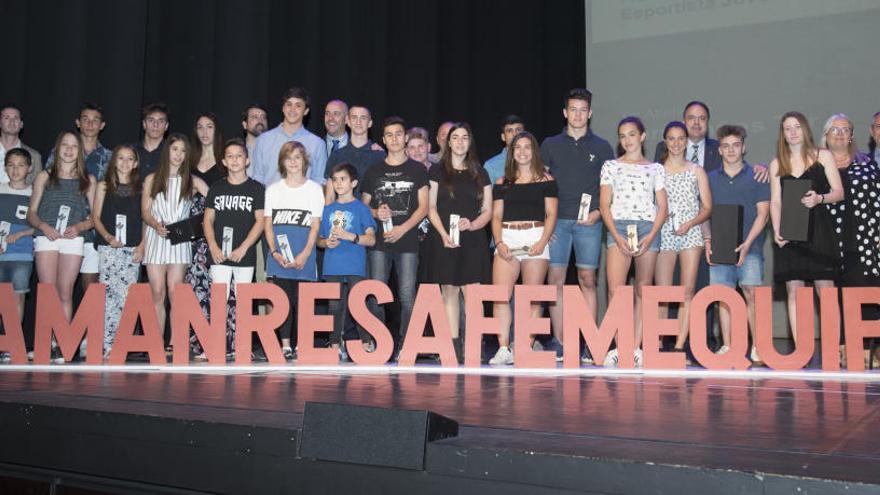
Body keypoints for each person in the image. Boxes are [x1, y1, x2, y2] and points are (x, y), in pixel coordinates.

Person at [541, 88, 615, 361]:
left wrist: (598, 212)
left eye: (583, 110)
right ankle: (561, 342)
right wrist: (546, 222)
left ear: (590, 114)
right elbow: (542, 184)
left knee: (588, 280)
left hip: (589, 223)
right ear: (565, 113)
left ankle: (590, 343)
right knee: (555, 280)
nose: (578, 115)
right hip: (557, 222)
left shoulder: (603, 147)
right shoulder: (549, 144)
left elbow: (610, 187)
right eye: (573, 109)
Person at [770, 112, 843, 350]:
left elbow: (839, 192)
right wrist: (778, 230)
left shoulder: (823, 156)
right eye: (787, 128)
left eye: (797, 127)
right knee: (794, 291)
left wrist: (819, 198)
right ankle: (801, 350)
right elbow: (776, 202)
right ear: (782, 133)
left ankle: (833, 348)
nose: (792, 132)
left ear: (805, 129)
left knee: (826, 290)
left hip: (819, 229)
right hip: (790, 233)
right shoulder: (777, 163)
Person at [599, 117, 668, 367]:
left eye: (631, 134)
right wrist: (616, 237)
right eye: (622, 135)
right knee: (616, 290)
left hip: (647, 228)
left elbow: (663, 207)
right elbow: (604, 205)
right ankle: (619, 346)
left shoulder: (656, 168)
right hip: (619, 226)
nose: (627, 140)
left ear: (642, 136)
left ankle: (637, 347)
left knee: (643, 288)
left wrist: (650, 236)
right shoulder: (610, 166)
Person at [361, 117, 429, 360]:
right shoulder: (374, 171)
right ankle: (379, 343)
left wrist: (403, 229)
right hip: (379, 242)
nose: (394, 139)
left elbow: (424, 207)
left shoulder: (418, 170)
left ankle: (406, 345)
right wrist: (375, 213)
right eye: (389, 135)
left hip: (408, 242)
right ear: (383, 139)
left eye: (398, 134)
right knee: (376, 292)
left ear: (405, 138)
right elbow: (363, 206)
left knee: (407, 295)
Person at [488, 132, 558, 365]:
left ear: (534, 151)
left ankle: (525, 346)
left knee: (533, 297)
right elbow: (496, 216)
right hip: (507, 237)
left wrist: (542, 241)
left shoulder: (546, 180)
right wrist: (499, 242)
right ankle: (504, 348)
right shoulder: (502, 182)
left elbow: (551, 214)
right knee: (500, 296)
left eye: (527, 147)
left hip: (536, 236)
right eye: (518, 147)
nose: (522, 152)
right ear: (512, 151)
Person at [425, 123, 492, 363]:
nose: (460, 142)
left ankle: (474, 344)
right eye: (456, 137)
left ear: (470, 142)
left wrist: (473, 225)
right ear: (448, 142)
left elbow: (488, 210)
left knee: (473, 293)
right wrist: (443, 233)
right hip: (444, 238)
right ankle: (453, 347)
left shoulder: (480, 172)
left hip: (473, 240)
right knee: (449, 291)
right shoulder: (436, 171)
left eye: (465, 137)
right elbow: (430, 208)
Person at [28, 131, 96, 363]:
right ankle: (46, 342)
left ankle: (62, 344)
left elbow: (95, 218)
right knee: (48, 291)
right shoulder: (44, 176)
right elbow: (31, 213)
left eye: (73, 146)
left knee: (65, 291)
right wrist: (44, 227)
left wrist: (79, 227)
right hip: (47, 236)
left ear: (80, 151)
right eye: (64, 145)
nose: (68, 150)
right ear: (57, 149)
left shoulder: (88, 179)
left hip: (72, 239)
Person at [705, 125, 770, 363]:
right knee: (723, 296)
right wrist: (708, 240)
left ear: (743, 147)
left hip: (750, 248)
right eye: (726, 146)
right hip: (720, 248)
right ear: (719, 150)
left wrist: (747, 243)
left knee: (752, 294)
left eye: (735, 145)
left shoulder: (758, 176)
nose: (731, 150)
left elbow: (763, 214)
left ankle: (759, 347)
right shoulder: (710, 178)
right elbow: (704, 213)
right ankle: (728, 345)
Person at [820, 113, 880, 367]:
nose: (841, 134)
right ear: (826, 134)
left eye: (846, 130)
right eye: (835, 129)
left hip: (861, 240)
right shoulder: (816, 165)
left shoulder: (867, 164)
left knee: (861, 292)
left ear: (853, 135)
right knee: (834, 296)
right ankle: (840, 346)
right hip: (826, 241)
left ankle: (865, 348)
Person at [142, 134, 209, 353]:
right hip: (156, 237)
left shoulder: (192, 180)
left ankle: (175, 340)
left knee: (175, 292)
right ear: (167, 152)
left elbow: (214, 201)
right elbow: (145, 211)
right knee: (157, 291)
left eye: (182, 151)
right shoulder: (152, 179)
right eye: (174, 150)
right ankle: (156, 340)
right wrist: (155, 223)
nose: (178, 155)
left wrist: (199, 225)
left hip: (179, 240)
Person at [204, 139, 265, 359]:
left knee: (243, 301)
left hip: (244, 254)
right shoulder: (217, 187)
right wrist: (212, 246)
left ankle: (242, 346)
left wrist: (243, 247)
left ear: (247, 160)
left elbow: (260, 222)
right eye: (229, 156)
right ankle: (217, 345)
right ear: (223, 161)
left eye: (239, 155)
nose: (235, 160)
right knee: (219, 300)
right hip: (219, 254)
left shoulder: (256, 188)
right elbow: (208, 219)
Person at [264, 141, 324, 361]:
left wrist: (306, 253)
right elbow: (268, 224)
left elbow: (315, 226)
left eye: (297, 157)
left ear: (304, 161)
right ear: (282, 162)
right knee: (282, 302)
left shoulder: (315, 189)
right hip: (279, 258)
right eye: (289, 158)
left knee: (304, 303)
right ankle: (286, 345)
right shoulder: (273, 190)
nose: (293, 162)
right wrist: (274, 252)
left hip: (304, 256)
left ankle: (302, 344)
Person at [655, 122, 711, 355]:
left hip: (691, 233)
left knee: (687, 291)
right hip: (664, 232)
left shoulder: (697, 170)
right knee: (663, 291)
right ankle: (656, 343)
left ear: (686, 141)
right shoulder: (656, 170)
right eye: (672, 138)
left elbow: (707, 207)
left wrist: (690, 223)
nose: (676, 143)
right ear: (665, 142)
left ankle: (679, 345)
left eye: (681, 138)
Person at [45, 103, 114, 290]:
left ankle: (89, 320)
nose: (90, 124)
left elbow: (114, 196)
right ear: (78, 123)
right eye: (85, 119)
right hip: (61, 228)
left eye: (95, 120)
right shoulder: (60, 152)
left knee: (91, 287)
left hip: (94, 230)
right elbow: (48, 189)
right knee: (57, 288)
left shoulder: (111, 158)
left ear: (102, 125)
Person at [318, 163, 377, 357]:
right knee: (335, 305)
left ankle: (366, 342)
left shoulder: (361, 208)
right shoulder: (327, 210)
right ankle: (335, 344)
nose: (338, 183)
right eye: (335, 180)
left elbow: (371, 238)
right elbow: (318, 240)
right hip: (333, 263)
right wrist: (327, 242)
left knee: (358, 302)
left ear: (354, 183)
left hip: (354, 263)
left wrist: (351, 236)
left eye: (343, 179)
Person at [93, 145, 144, 359]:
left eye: (129, 158)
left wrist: (142, 246)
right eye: (120, 158)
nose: (124, 162)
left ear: (135, 163)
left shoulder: (141, 189)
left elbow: (144, 220)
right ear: (114, 161)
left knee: (127, 299)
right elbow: (95, 217)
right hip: (108, 248)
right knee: (107, 296)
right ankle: (105, 344)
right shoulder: (104, 186)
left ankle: (120, 344)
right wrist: (108, 237)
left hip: (131, 249)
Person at [187, 113, 227, 339]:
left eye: (209, 127)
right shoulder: (189, 160)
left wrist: (203, 189)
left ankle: (216, 336)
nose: (204, 132)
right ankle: (193, 337)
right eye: (200, 127)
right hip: (191, 229)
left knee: (216, 283)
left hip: (218, 227)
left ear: (216, 130)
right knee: (193, 282)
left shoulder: (225, 160)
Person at [252, 87, 327, 187]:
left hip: (304, 202)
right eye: (289, 104)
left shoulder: (317, 144)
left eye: (298, 105)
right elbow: (257, 179)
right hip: (270, 201)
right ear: (283, 108)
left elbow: (319, 182)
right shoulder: (264, 140)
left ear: (306, 111)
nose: (292, 109)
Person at [0, 149, 34, 363]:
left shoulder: (34, 193)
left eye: (21, 165)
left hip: (22, 253)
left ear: (29, 168)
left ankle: (11, 344)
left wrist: (21, 232)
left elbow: (40, 223)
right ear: (5, 168)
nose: (15, 169)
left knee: (17, 297)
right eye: (11, 165)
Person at [324, 105, 385, 203]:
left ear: (370, 123)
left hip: (370, 216)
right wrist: (327, 215)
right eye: (354, 117)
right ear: (347, 121)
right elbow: (330, 196)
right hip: (342, 215)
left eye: (363, 118)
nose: (358, 122)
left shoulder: (380, 156)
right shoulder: (336, 155)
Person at [0, 105, 41, 184]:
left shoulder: (34, 156)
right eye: (7, 118)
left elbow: (37, 188)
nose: (12, 121)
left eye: (16, 118)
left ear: (21, 124)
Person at [483, 115, 525, 184]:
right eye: (509, 131)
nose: (514, 134)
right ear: (503, 137)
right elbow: (487, 194)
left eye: (518, 130)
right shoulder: (491, 166)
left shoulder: (533, 161)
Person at [135, 102, 169, 176]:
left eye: (161, 121)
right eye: (151, 120)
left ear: (166, 126)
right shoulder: (131, 151)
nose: (155, 125)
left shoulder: (171, 153)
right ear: (144, 124)